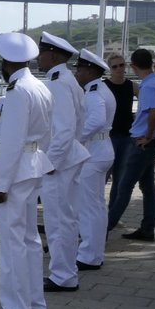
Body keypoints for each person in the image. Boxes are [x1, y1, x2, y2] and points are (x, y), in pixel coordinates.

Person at [0, 32, 53, 309]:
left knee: (13, 245)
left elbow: (10, 143)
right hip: (34, 165)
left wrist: (0, 184)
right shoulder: (40, 87)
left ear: (6, 62)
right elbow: (48, 132)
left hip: (16, 171)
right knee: (30, 241)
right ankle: (35, 304)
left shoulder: (17, 92)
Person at [36, 32, 90, 292]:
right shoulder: (67, 79)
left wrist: (49, 163)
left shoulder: (57, 82)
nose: (38, 57)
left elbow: (64, 130)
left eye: (42, 52)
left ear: (53, 55)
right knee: (66, 219)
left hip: (60, 162)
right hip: (69, 158)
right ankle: (65, 271)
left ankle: (62, 275)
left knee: (58, 221)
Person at [106, 48, 155, 241]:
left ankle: (103, 229)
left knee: (124, 187)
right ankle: (147, 228)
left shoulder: (148, 86)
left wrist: (148, 135)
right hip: (151, 141)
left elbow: (154, 112)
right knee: (148, 188)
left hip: (142, 142)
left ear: (132, 66)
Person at [74, 49, 116, 270]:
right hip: (102, 149)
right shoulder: (103, 89)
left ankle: (89, 255)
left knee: (89, 206)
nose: (77, 73)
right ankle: (95, 252)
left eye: (79, 69)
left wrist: (76, 139)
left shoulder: (92, 94)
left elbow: (97, 120)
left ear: (90, 70)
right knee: (97, 206)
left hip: (94, 152)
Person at [104, 53, 135, 208]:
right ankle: (94, 210)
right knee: (103, 176)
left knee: (120, 177)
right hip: (108, 136)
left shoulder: (132, 85)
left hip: (127, 136)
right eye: (115, 66)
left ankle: (112, 213)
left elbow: (148, 106)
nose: (119, 69)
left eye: (121, 65)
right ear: (110, 69)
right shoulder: (104, 86)